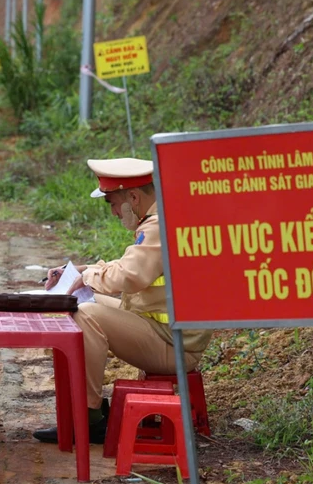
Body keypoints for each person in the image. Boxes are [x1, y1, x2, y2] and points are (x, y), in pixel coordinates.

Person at [32, 157, 213, 445]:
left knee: (87, 313)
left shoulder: (157, 228)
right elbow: (132, 264)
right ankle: (85, 411)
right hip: (167, 333)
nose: (115, 212)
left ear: (133, 197)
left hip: (173, 346)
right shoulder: (164, 219)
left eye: (114, 204)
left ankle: (88, 418)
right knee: (88, 303)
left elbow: (129, 276)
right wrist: (83, 271)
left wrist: (89, 275)